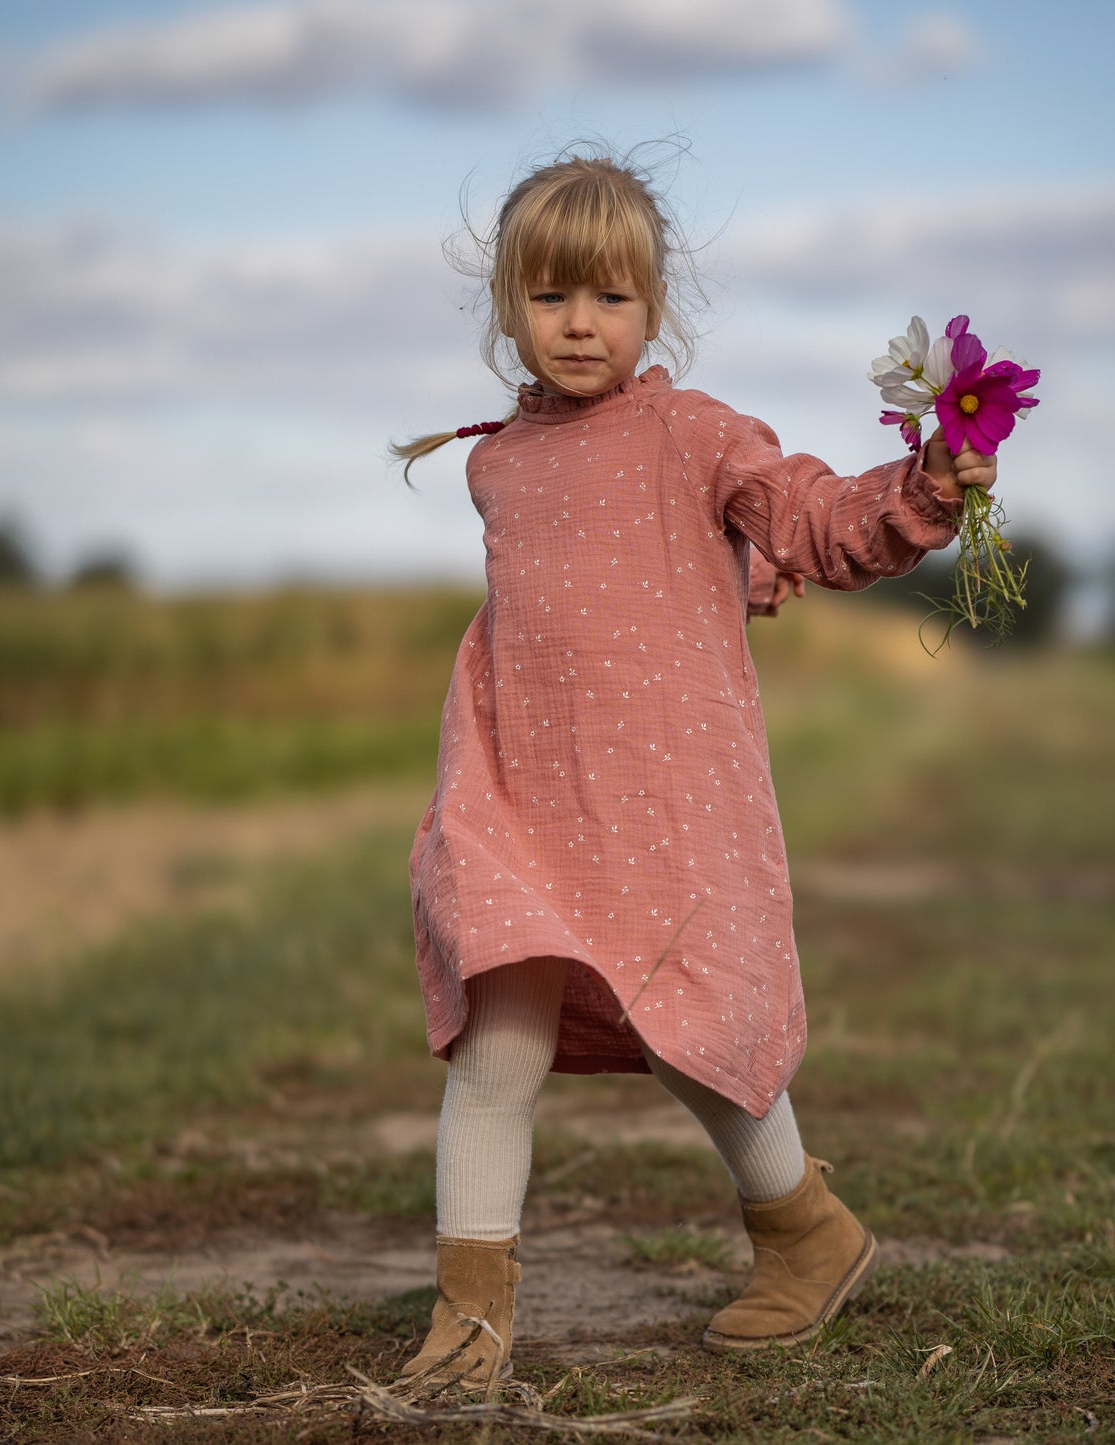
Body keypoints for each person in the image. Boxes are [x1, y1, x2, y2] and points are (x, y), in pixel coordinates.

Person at [391, 146, 996, 1389]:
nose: (577, 323)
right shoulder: (492, 462)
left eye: (608, 297)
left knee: (687, 1028)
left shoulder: (692, 433)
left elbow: (815, 518)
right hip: (515, 795)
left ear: (651, 309)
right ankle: (469, 1318)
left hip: (661, 798)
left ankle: (804, 1232)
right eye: (551, 294)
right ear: (507, 302)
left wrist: (924, 489)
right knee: (496, 1047)